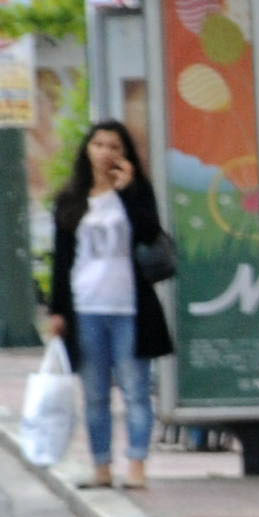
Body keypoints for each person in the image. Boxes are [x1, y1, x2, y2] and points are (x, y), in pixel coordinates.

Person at [42, 119, 176, 490]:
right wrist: (56, 311)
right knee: (96, 394)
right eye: (99, 144)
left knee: (135, 390)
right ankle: (101, 466)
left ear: (125, 153)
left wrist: (130, 189)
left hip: (130, 308)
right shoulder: (71, 198)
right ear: (88, 150)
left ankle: (136, 465)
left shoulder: (136, 193)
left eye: (114, 146)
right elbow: (63, 259)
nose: (106, 152)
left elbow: (150, 233)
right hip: (86, 308)